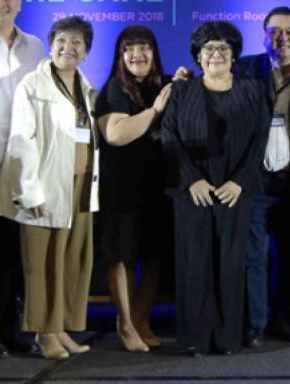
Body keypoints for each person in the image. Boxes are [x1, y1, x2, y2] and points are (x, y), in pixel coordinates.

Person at [0, 15, 99, 360]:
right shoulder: (32, 86)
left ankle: (60, 327)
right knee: (41, 264)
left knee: (70, 261)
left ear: (86, 51)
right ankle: (43, 332)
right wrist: (31, 192)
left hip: (79, 186)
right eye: (62, 41)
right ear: (51, 46)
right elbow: (22, 141)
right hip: (44, 186)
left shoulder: (86, 87)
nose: (69, 48)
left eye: (77, 42)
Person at [161, 21, 269, 357]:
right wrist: (193, 178)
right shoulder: (181, 91)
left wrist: (240, 181)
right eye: (208, 48)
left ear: (234, 54)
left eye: (223, 48)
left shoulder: (253, 90)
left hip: (236, 190)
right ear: (198, 56)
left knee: (231, 264)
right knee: (195, 264)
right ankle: (194, 338)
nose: (216, 54)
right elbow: (169, 138)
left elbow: (259, 140)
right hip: (191, 189)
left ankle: (226, 340)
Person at [237, 7, 290, 346]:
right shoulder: (244, 69)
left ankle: (284, 319)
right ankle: (255, 324)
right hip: (255, 180)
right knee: (254, 255)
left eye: (289, 32)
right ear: (263, 36)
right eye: (274, 31)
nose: (282, 38)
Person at [96, 25, 174, 352]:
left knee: (153, 257)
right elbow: (117, 134)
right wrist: (155, 111)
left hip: (159, 186)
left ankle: (142, 319)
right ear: (120, 55)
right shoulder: (115, 88)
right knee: (123, 256)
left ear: (154, 53)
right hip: (121, 189)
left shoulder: (165, 84)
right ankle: (126, 324)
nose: (137, 54)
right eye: (129, 49)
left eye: (144, 47)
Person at [0, 0, 44, 359]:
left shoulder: (36, 47)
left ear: (20, 2)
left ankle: (7, 331)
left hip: (18, 168)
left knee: (7, 258)